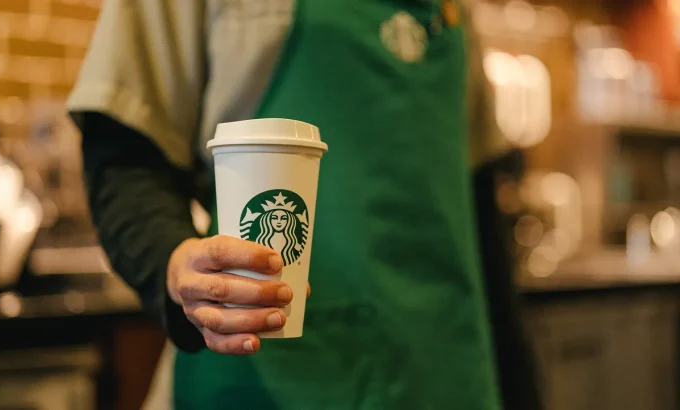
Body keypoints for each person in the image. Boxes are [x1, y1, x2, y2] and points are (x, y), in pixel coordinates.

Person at [69, 0, 542, 408]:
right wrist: (174, 265)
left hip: (446, 381)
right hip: (272, 384)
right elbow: (125, 159)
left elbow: (478, 215)